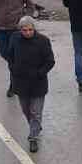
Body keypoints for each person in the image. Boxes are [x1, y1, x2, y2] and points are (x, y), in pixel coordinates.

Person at [8, 16, 55, 152]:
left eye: (30, 30)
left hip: (37, 83)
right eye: (24, 30)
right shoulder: (15, 39)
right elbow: (10, 55)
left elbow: (50, 61)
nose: (28, 32)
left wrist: (40, 73)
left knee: (36, 112)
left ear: (34, 29)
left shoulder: (43, 41)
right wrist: (13, 69)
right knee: (26, 109)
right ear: (20, 30)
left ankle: (33, 137)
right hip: (21, 82)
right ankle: (35, 126)